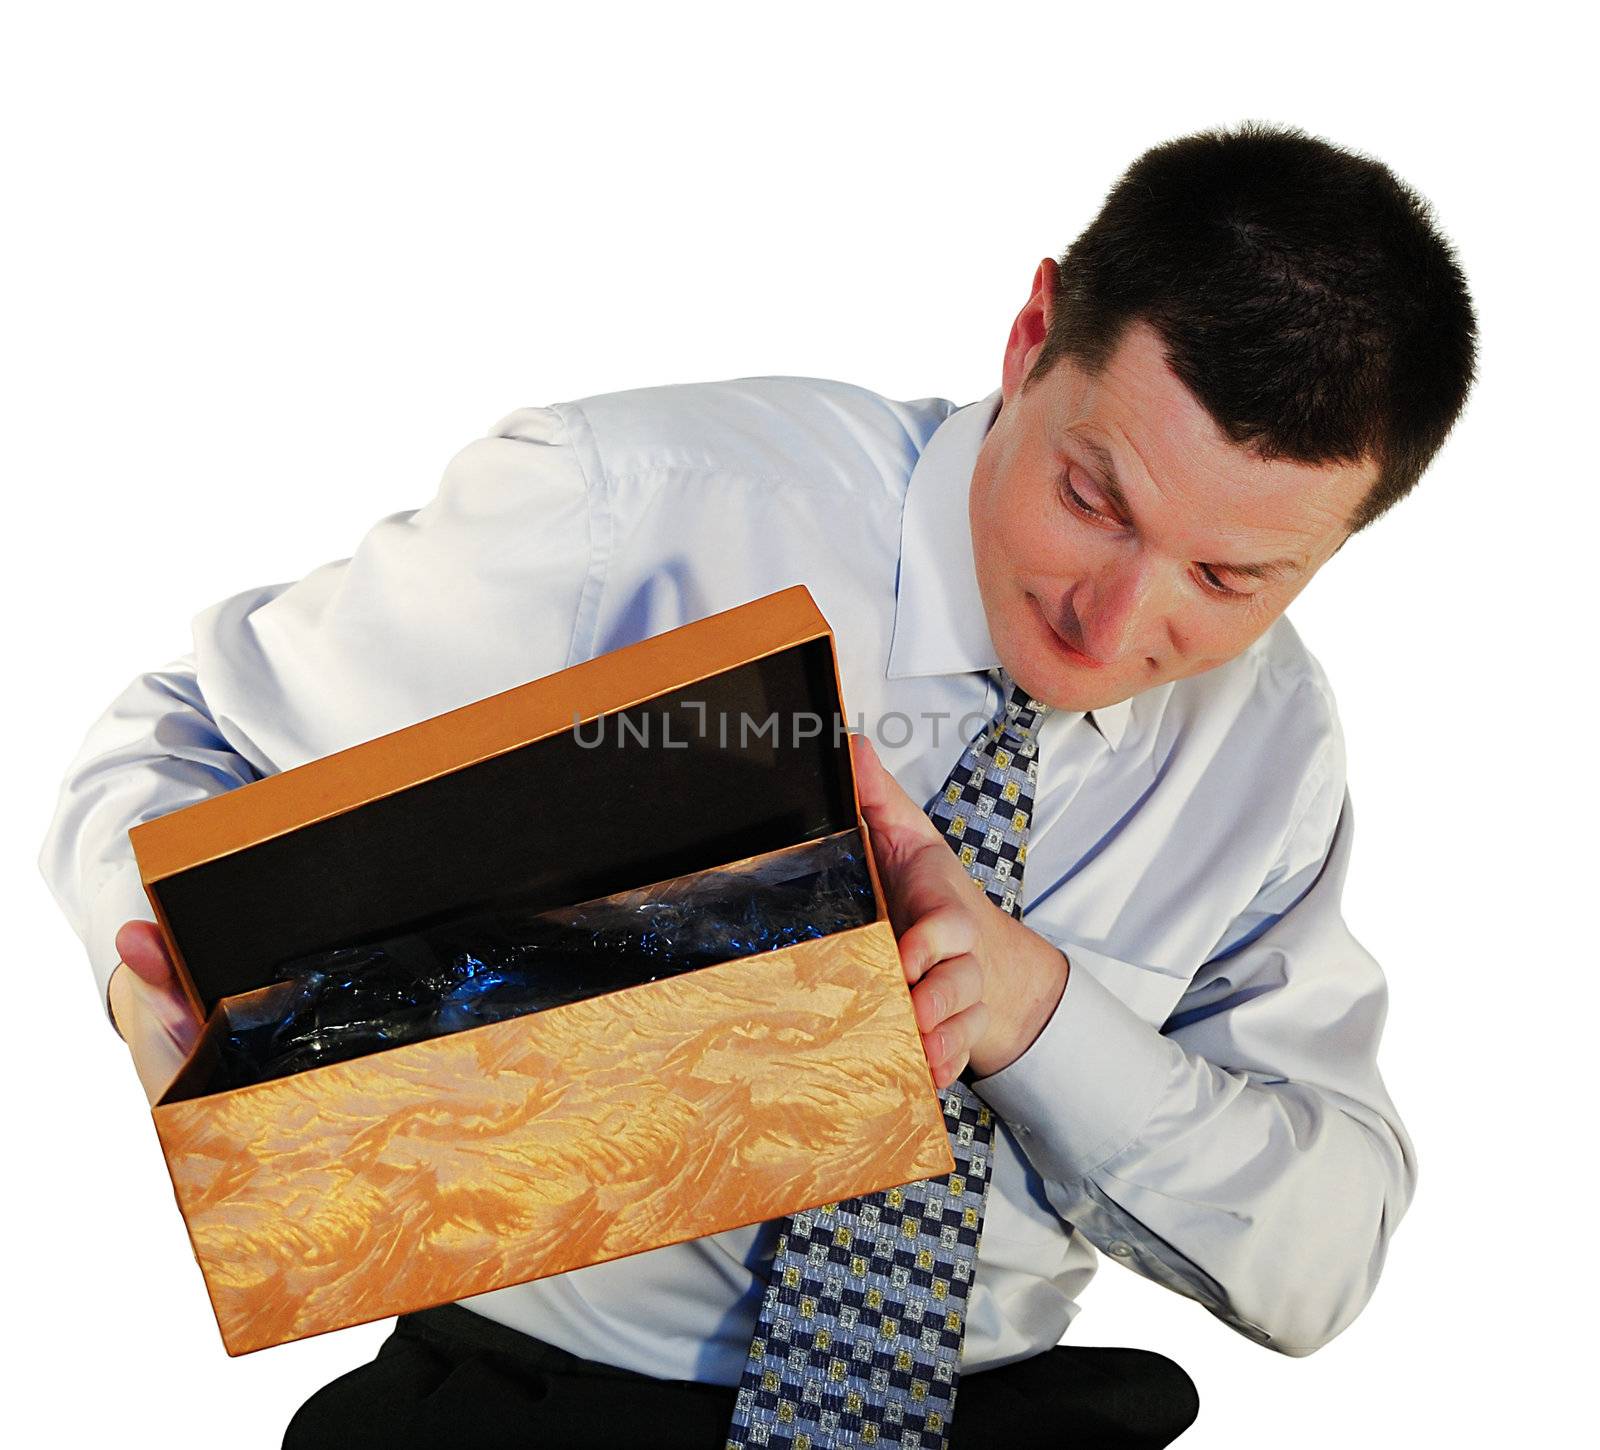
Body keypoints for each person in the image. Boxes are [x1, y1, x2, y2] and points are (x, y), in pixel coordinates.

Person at [37, 120, 1477, 1449]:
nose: (1114, 626)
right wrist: (152, 988)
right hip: (546, 1400)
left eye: (1231, 579)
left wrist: (1034, 1008)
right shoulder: (636, 509)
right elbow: (177, 734)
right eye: (1093, 499)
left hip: (1001, 1411)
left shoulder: (1272, 745)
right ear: (1033, 337)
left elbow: (1318, 1260)